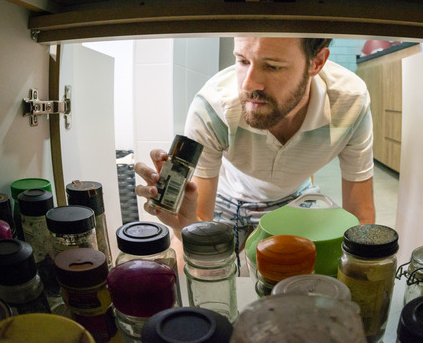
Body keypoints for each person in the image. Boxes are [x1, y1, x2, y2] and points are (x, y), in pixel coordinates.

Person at [135, 37, 375, 257]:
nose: (248, 84)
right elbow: (199, 220)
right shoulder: (214, 106)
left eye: (272, 66)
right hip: (225, 196)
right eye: (242, 60)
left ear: (317, 62)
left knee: (306, 273)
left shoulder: (350, 103)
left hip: (292, 197)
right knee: (188, 263)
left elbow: (361, 218)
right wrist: (183, 224)